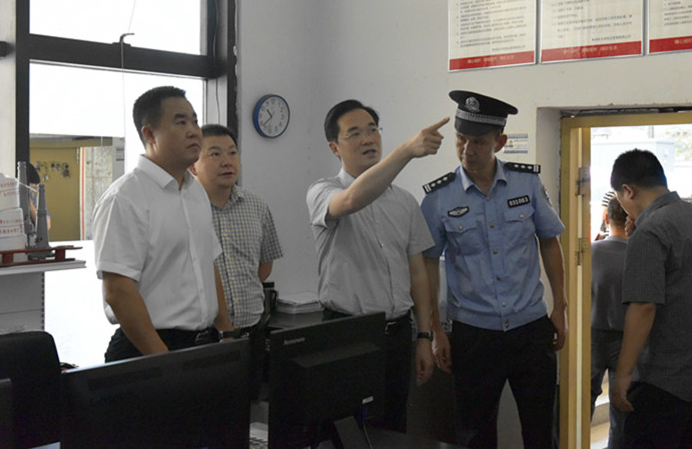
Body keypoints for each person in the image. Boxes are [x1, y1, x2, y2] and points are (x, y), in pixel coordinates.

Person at [421, 90, 567, 449]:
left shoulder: (526, 183)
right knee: (474, 435)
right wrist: (436, 330)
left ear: (499, 142)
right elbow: (428, 265)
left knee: (541, 432)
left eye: (479, 142)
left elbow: (550, 241)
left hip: (530, 328)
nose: (467, 150)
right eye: (461, 139)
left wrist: (560, 307)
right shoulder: (438, 198)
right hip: (474, 334)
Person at [306, 99, 449, 433]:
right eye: (355, 133)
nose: (368, 139)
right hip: (348, 334)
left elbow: (417, 273)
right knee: (349, 432)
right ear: (334, 147)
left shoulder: (404, 201)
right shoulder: (322, 191)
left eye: (372, 130)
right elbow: (352, 200)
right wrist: (406, 151)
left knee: (392, 427)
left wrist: (424, 335)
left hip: (397, 334)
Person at [93, 86, 237, 362]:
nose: (194, 131)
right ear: (149, 134)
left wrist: (227, 332)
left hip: (204, 342)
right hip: (148, 348)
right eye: (181, 123)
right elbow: (118, 291)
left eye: (195, 121)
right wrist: (164, 361)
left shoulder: (195, 191)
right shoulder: (125, 197)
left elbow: (208, 264)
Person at [608, 149, 692, 449]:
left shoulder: (651, 231)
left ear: (628, 190)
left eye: (619, 197)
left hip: (661, 380)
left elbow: (644, 306)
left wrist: (623, 375)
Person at [191, 123, 284, 399]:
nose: (227, 161)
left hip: (251, 333)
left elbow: (264, 265)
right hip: (200, 338)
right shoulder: (184, 209)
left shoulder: (257, 206)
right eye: (215, 154)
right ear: (193, 165)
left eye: (232, 153)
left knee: (248, 408)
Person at [590, 197, 629, 449]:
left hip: (592, 335)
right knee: (622, 406)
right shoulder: (639, 255)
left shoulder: (590, 252)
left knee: (583, 401)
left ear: (606, 218)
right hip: (627, 339)